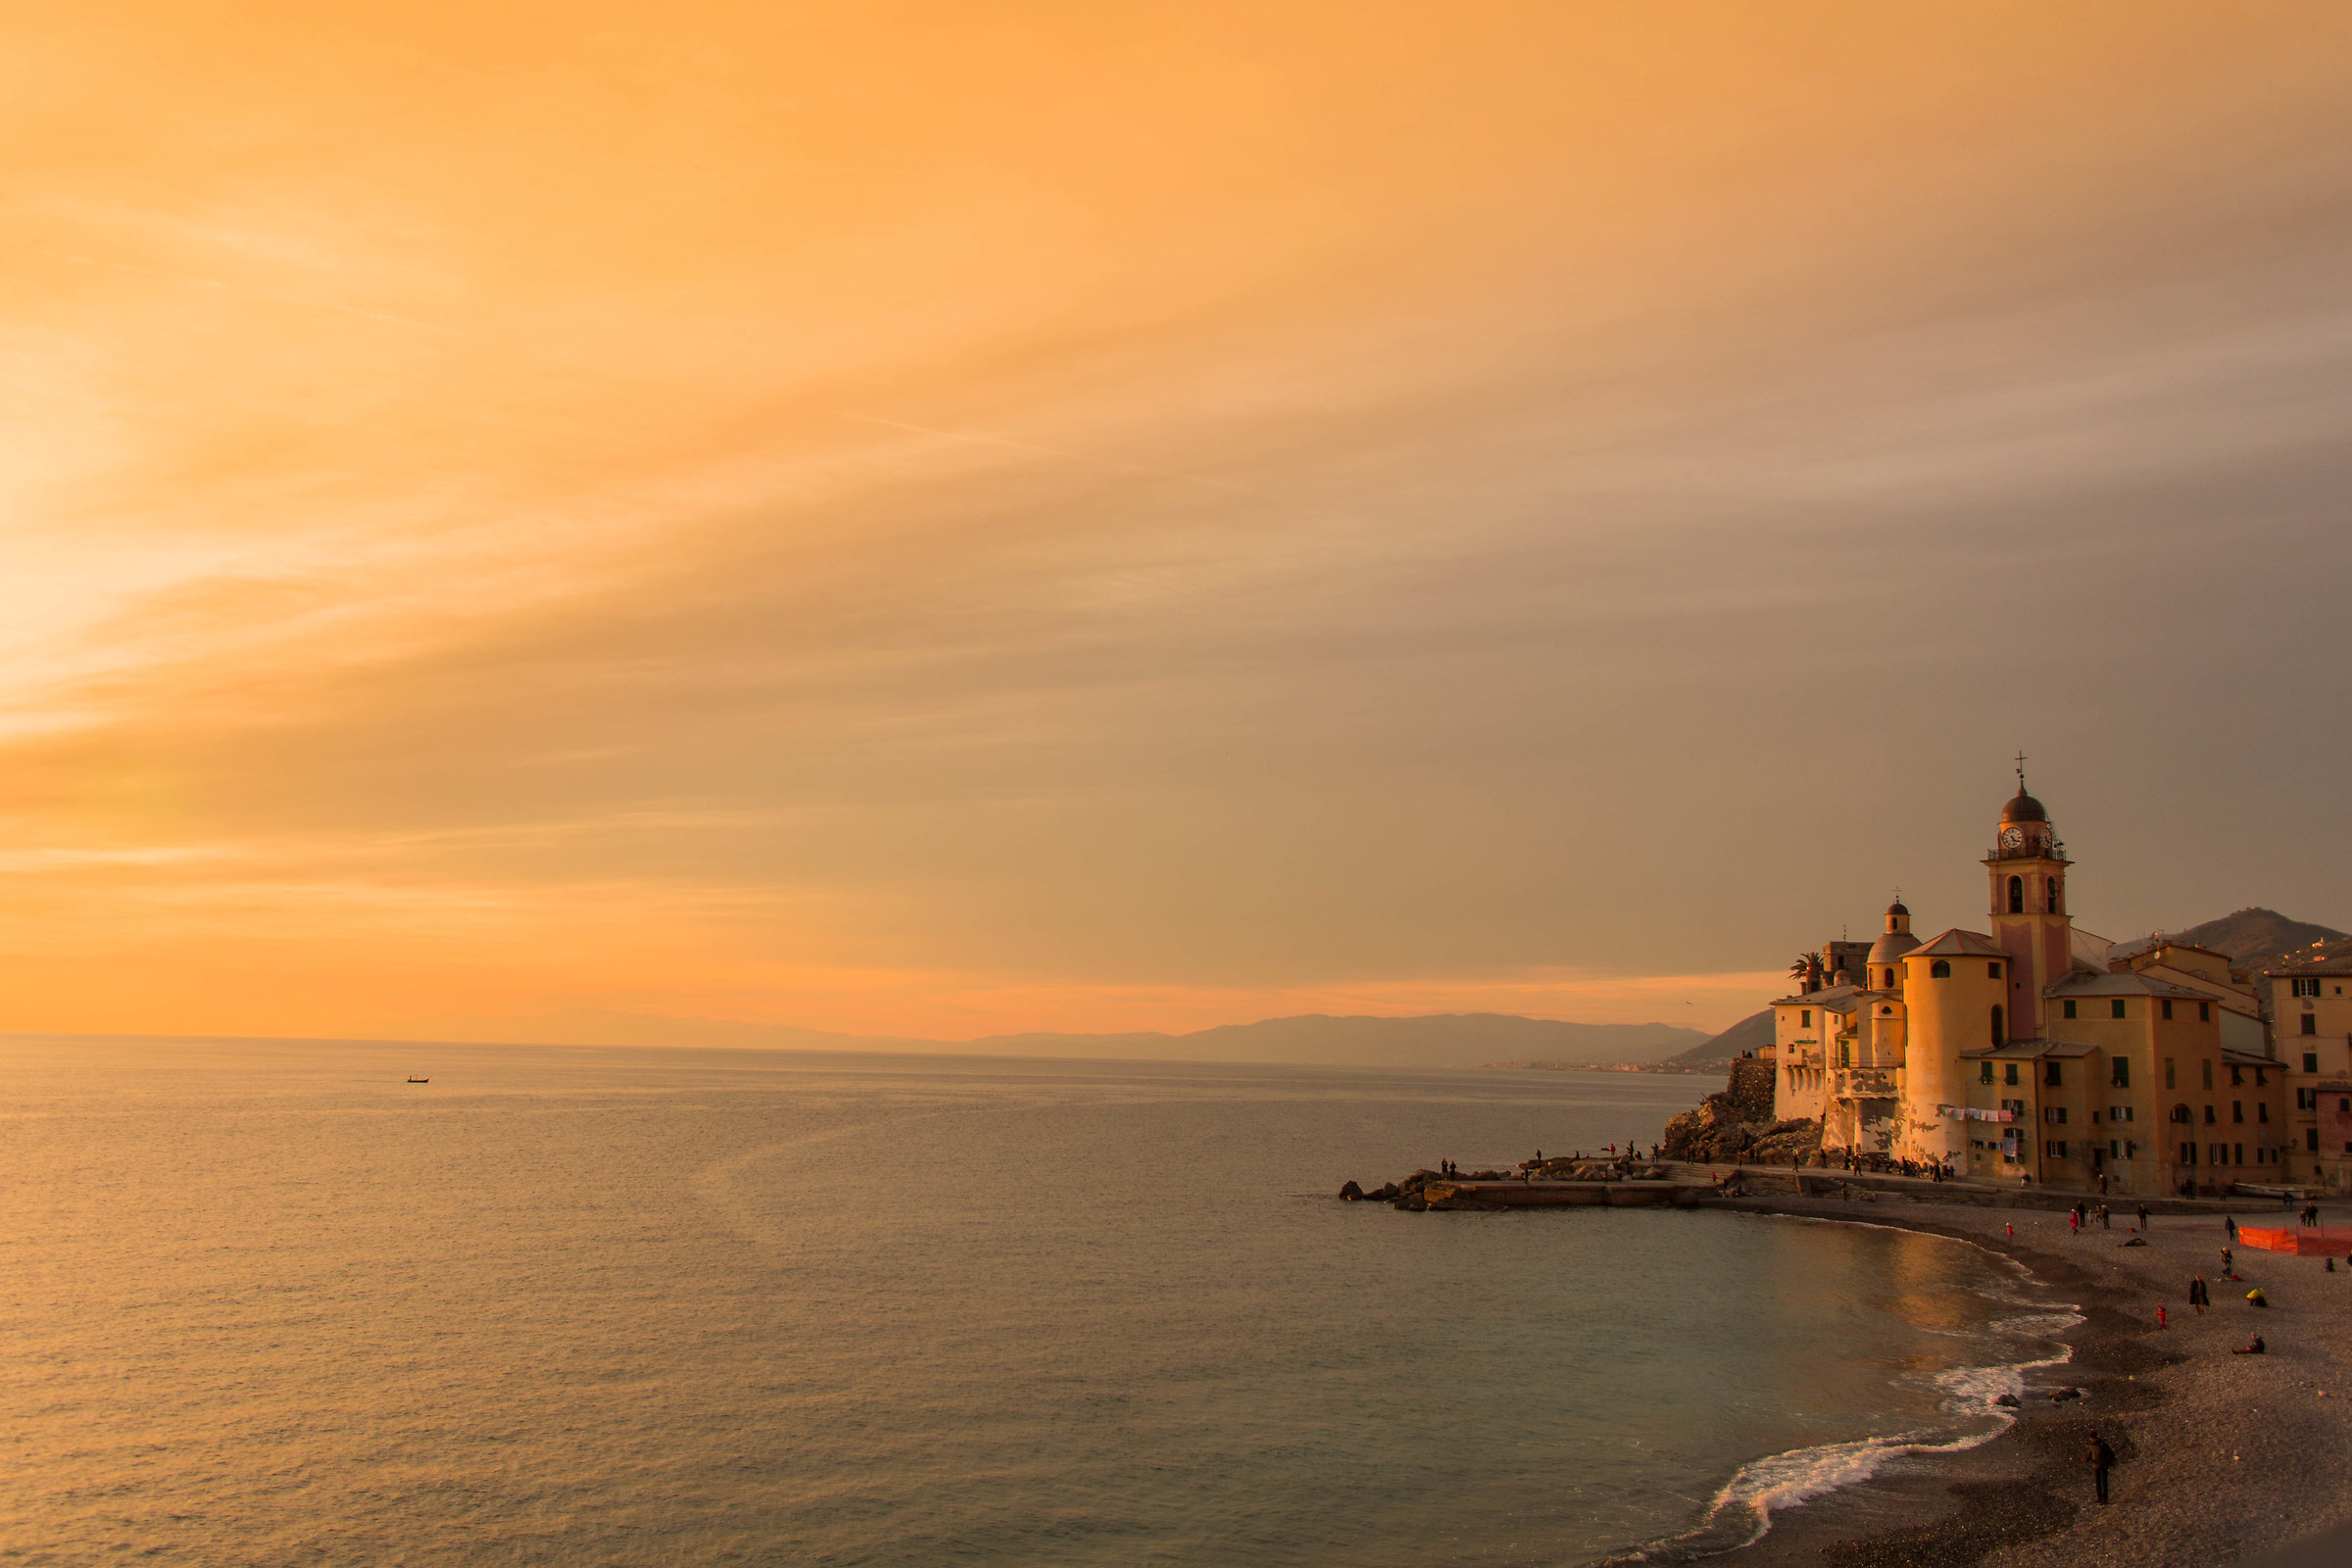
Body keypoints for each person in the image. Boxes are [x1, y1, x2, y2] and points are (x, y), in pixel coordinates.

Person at [2084, 1430, 2115, 1504]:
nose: (2090, 1439)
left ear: (2094, 1438)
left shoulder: (2102, 1445)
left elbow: (2110, 1454)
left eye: (2091, 1438)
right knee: (2098, 1482)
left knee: (2104, 1482)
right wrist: (2087, 1459)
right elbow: (2090, 1455)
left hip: (2103, 1466)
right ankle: (2099, 1497)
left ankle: (2104, 1498)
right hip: (2096, 1466)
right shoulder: (2092, 1445)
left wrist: (2106, 1462)